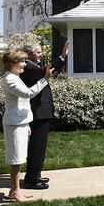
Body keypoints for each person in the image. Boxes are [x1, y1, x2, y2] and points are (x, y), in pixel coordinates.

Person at [2, 49, 53, 202]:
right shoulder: (10, 79)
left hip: (21, 122)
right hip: (15, 123)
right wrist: (45, 79)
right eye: (21, 62)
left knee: (19, 157)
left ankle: (15, 190)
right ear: (11, 64)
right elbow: (28, 94)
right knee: (15, 159)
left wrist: (27, 124)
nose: (24, 64)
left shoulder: (15, 77)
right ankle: (15, 191)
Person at [20, 41, 69, 190]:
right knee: (37, 146)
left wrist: (61, 58)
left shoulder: (31, 66)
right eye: (38, 52)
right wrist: (61, 57)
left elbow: (46, 72)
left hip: (41, 110)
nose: (40, 54)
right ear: (29, 54)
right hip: (38, 111)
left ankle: (36, 174)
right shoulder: (28, 67)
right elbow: (46, 72)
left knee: (40, 147)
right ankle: (31, 179)